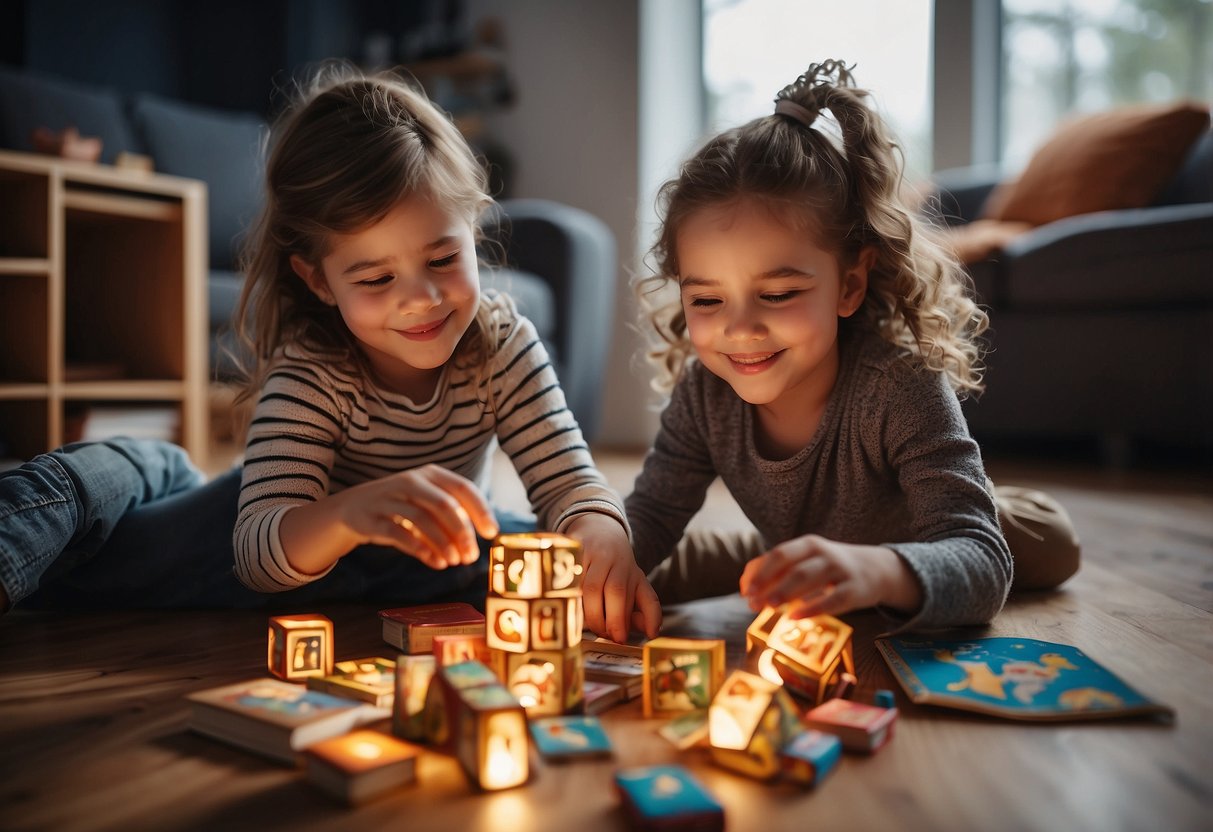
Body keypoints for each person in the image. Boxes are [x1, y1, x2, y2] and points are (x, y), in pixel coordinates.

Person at [0, 65, 662, 643]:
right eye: (376, 279)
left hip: (416, 565)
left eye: (443, 257)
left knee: (546, 553)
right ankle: (122, 474)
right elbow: (258, 552)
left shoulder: (502, 342)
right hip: (243, 537)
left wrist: (596, 529)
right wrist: (349, 513)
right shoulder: (313, 368)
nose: (421, 299)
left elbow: (569, 483)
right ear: (318, 280)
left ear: (474, 227)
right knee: (96, 502)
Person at [626, 60, 1079, 632]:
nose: (740, 329)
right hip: (800, 543)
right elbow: (653, 514)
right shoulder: (703, 392)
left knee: (1051, 541)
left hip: (932, 537)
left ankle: (963, 514)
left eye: (779, 293)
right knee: (638, 554)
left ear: (850, 285)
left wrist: (879, 570)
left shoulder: (899, 386)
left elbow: (983, 563)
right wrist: (608, 555)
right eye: (708, 301)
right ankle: (807, 558)